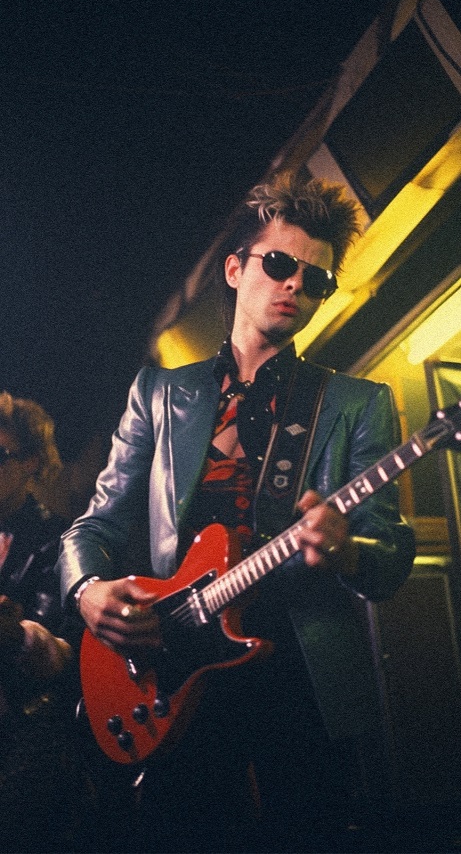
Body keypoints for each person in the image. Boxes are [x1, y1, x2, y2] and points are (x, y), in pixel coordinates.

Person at [58, 169, 416, 853]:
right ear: (234, 268)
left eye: (315, 279)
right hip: (174, 667)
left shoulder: (355, 404)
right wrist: (87, 589)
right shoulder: (159, 393)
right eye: (279, 264)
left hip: (299, 674)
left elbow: (391, 553)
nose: (295, 285)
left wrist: (347, 550)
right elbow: (96, 525)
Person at [0, 392, 79, 853]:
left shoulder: (57, 540)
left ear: (31, 461)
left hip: (25, 741)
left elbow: (59, 656)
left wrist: (18, 633)